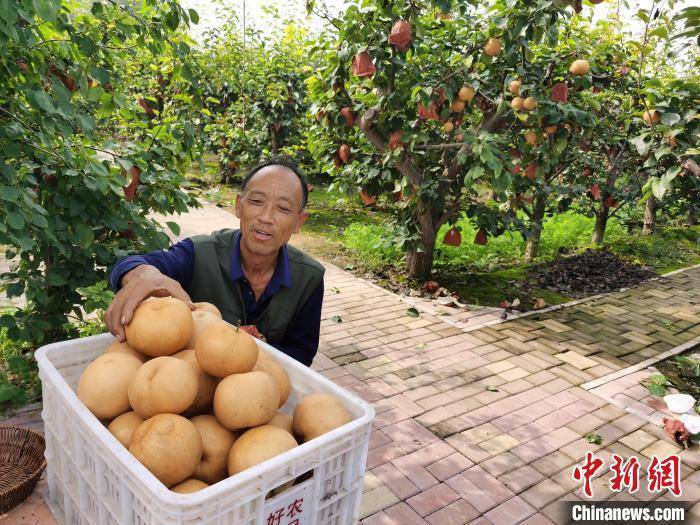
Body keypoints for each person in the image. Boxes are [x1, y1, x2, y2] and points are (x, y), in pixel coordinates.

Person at [105, 157, 325, 366]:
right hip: (191, 381)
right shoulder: (200, 253)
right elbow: (131, 264)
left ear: (299, 221)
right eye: (257, 201)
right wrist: (143, 274)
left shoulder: (309, 277)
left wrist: (262, 350)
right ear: (239, 205)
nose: (266, 217)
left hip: (257, 392)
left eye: (283, 208)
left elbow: (301, 354)